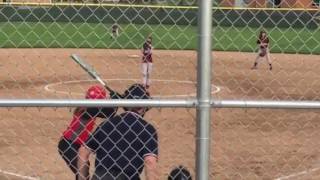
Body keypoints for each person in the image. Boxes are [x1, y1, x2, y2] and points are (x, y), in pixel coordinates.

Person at [78, 83, 158, 180]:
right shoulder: (147, 129)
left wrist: (83, 178)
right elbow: (150, 161)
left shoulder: (107, 124)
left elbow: (83, 152)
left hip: (100, 176)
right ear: (145, 107)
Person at [58, 85, 118, 180]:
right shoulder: (89, 109)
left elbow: (108, 111)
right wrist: (115, 100)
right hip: (68, 145)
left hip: (74, 144)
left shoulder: (87, 106)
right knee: (82, 170)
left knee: (83, 169)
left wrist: (115, 100)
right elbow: (109, 113)